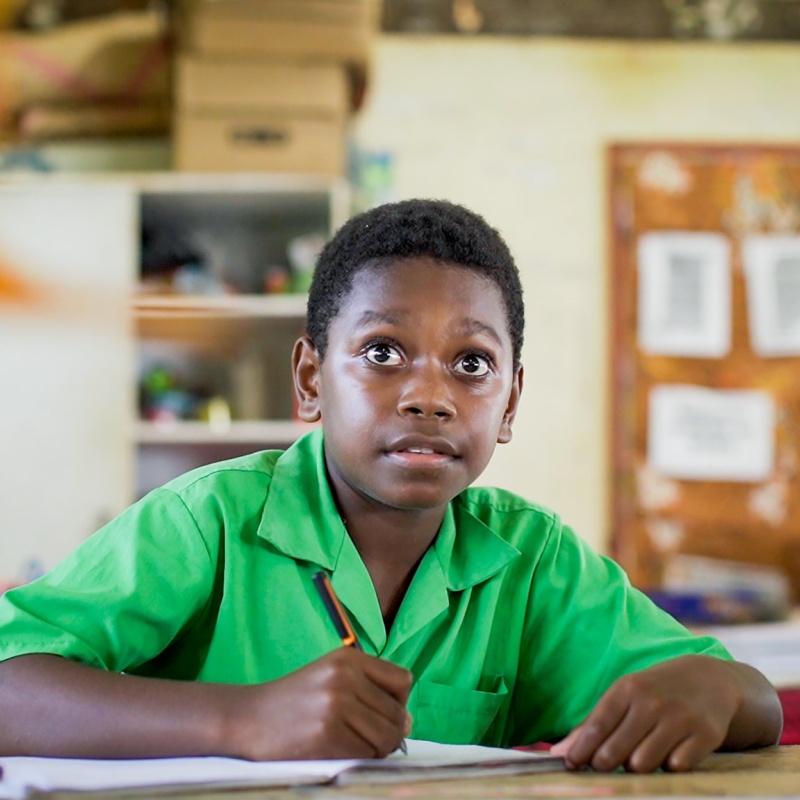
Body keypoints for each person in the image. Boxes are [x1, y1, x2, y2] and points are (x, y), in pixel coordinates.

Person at [0, 199, 782, 773]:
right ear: (310, 380)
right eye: (382, 352)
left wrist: (711, 691)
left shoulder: (531, 560)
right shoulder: (206, 521)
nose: (429, 396)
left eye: (471, 364)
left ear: (508, 405)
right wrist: (242, 718)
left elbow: (756, 701)